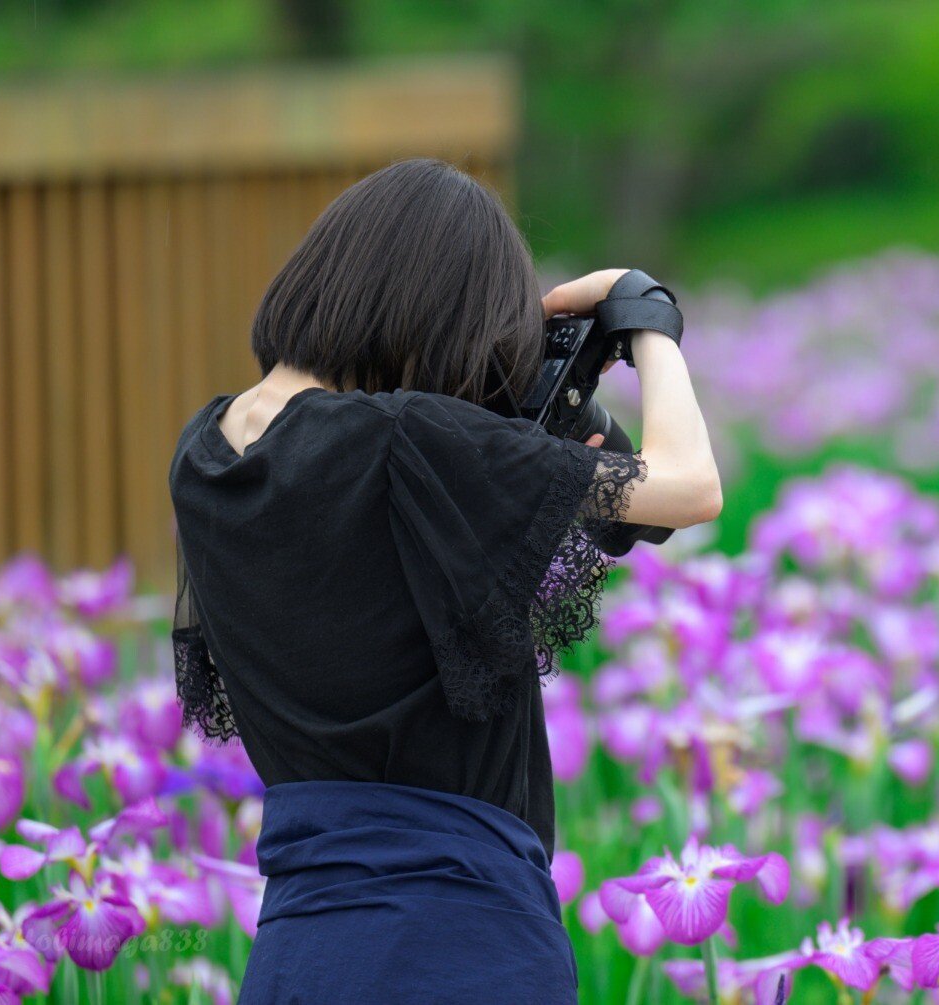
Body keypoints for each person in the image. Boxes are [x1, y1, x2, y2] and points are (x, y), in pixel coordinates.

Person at [168, 158, 722, 1003]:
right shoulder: (409, 441)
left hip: (299, 953)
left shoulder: (206, 456)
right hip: (463, 941)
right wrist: (644, 313)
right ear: (438, 311)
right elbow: (687, 487)